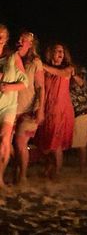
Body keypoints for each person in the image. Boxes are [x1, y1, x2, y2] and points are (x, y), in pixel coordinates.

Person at [35, 43, 74, 180]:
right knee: (45, 143)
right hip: (47, 109)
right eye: (57, 51)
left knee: (55, 142)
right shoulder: (45, 71)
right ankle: (49, 166)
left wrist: (40, 65)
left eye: (62, 51)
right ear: (51, 52)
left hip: (61, 110)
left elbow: (60, 73)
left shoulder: (68, 69)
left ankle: (57, 172)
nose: (60, 53)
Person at [14, 32, 45, 185]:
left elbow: (40, 87)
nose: (19, 41)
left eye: (23, 40)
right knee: (11, 145)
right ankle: (15, 173)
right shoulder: (14, 59)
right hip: (12, 108)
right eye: (19, 39)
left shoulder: (35, 62)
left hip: (29, 108)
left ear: (31, 44)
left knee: (21, 143)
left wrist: (40, 109)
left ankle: (23, 176)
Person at [0, 24, 28, 188]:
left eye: (2, 35)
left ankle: (1, 179)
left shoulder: (13, 57)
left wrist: (7, 87)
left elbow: (25, 82)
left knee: (4, 139)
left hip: (8, 105)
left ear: (6, 38)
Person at [69, 66, 87, 173]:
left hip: (82, 112)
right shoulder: (71, 82)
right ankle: (83, 166)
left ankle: (83, 167)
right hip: (75, 113)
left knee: (81, 141)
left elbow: (81, 82)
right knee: (80, 140)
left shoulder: (79, 80)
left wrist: (73, 74)